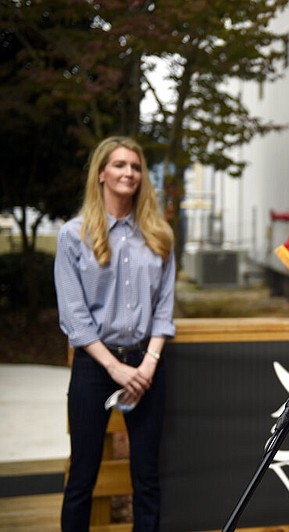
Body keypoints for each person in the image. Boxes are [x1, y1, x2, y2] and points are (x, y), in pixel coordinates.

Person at [55, 136, 175, 531]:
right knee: (82, 478)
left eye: (136, 167)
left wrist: (148, 363)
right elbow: (74, 316)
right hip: (94, 367)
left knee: (147, 478)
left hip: (147, 366)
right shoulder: (74, 235)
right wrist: (116, 369)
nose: (128, 173)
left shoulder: (159, 235)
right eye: (120, 165)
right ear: (102, 173)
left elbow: (163, 308)